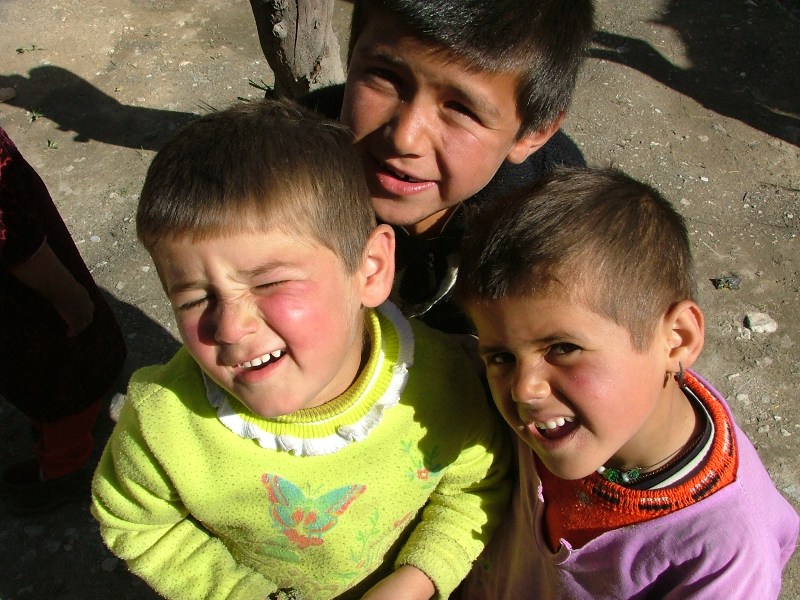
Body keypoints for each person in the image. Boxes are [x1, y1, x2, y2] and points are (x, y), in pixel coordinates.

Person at [91, 98, 510, 600]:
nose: (230, 328)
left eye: (269, 283)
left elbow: (475, 484)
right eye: (195, 299)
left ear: (371, 270)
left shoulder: (443, 381)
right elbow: (137, 524)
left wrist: (417, 580)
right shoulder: (163, 426)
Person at [455, 167, 799, 598]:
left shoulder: (727, 554)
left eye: (563, 348)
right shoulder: (576, 417)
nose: (525, 389)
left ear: (677, 340)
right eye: (501, 357)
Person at [296, 0, 595, 333]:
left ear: (532, 134)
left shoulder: (556, 218)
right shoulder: (290, 156)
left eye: (461, 109)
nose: (405, 139)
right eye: (386, 76)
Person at [0, 126, 127, 515]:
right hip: (23, 301)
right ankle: (62, 470)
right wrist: (69, 298)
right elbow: (15, 240)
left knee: (35, 378)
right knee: (64, 377)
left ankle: (54, 442)